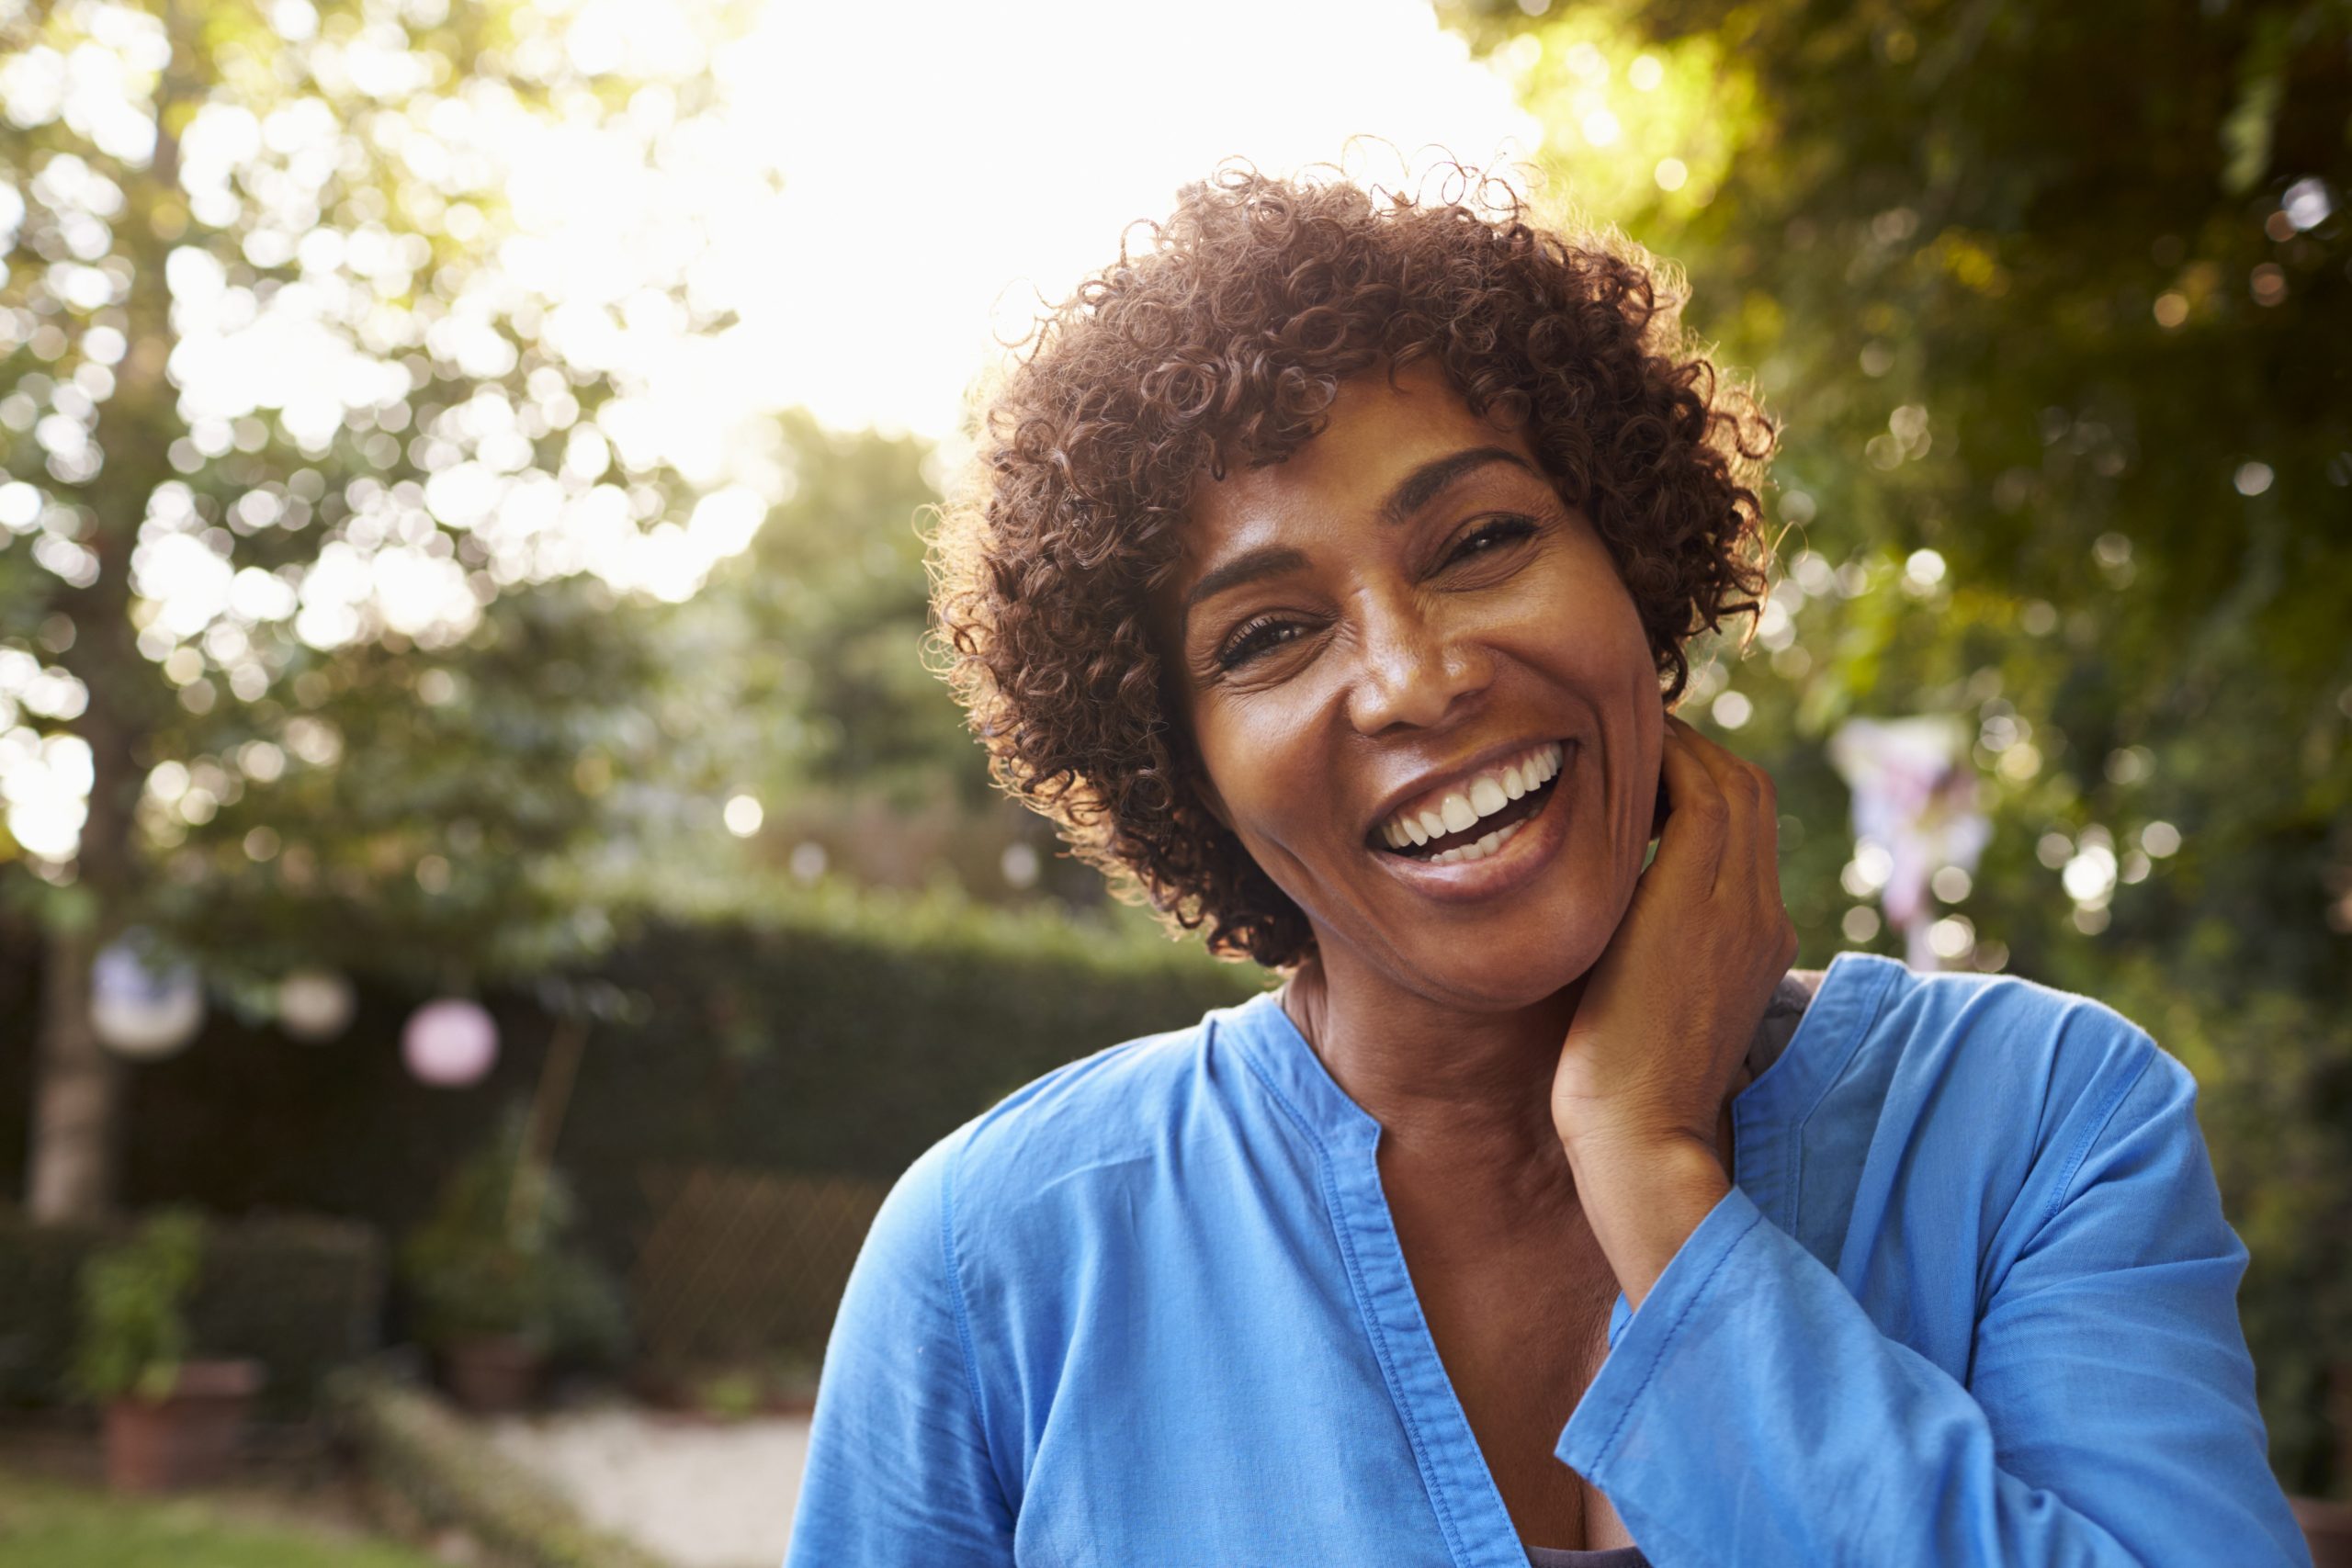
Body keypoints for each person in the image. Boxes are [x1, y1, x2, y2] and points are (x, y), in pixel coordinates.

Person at [781, 164, 2313, 1567]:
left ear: (1635, 565)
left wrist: (1652, 1172)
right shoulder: (999, 1259)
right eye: (1267, 636)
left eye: (1479, 540)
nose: (1413, 678)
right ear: (1180, 768)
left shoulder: (2043, 1127)